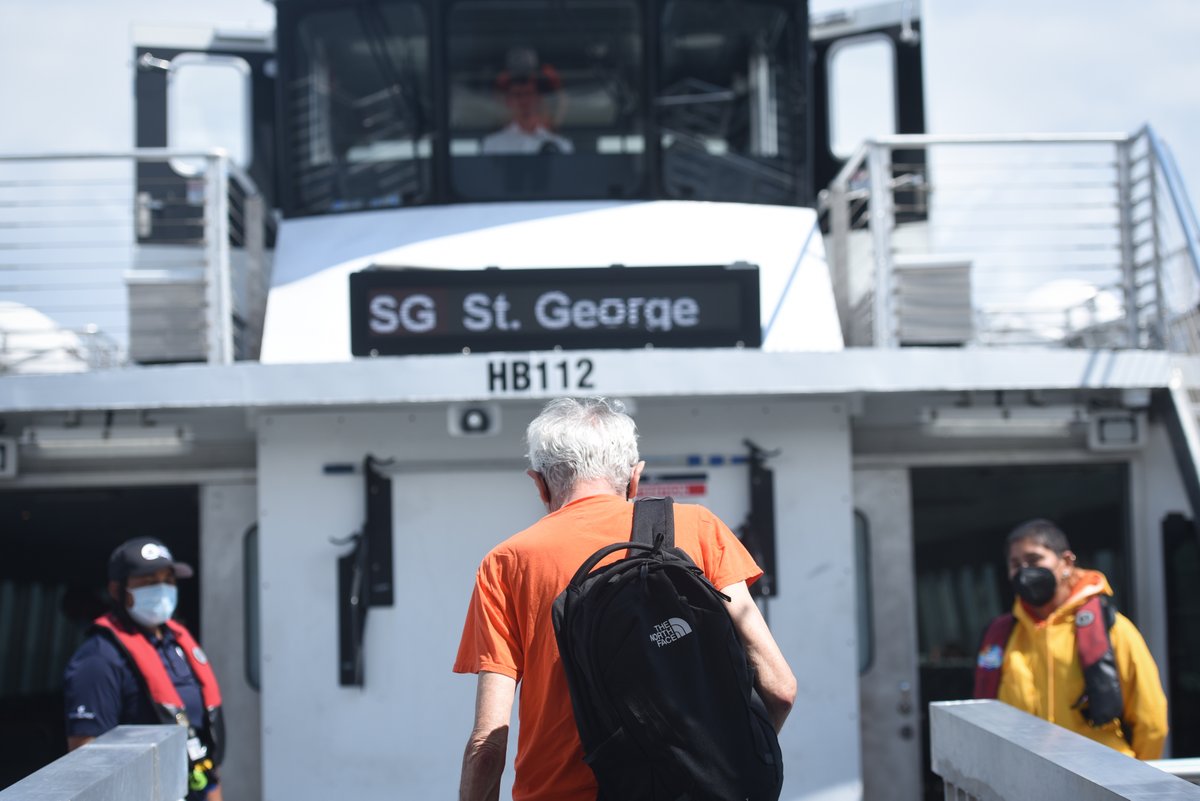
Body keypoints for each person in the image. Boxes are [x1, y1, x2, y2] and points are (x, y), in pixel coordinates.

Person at [454, 397, 796, 801]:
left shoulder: (507, 562)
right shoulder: (700, 528)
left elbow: (487, 746)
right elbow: (780, 688)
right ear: (635, 477)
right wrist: (717, 768)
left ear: (539, 483)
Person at [974, 518, 1168, 759]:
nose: (1024, 571)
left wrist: (1135, 778)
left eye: (1034, 560)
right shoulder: (1002, 635)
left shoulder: (1112, 629)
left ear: (1066, 562)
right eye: (1015, 564)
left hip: (1100, 778)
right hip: (1024, 778)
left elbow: (1151, 721)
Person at [63, 537, 224, 800]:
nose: (162, 588)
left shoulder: (177, 645)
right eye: (148, 582)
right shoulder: (99, 658)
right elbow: (86, 760)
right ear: (117, 590)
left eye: (168, 580)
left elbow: (202, 735)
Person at [481, 47, 574, 155]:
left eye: (529, 94)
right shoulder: (492, 145)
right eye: (517, 95)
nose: (524, 100)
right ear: (508, 101)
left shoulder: (561, 146)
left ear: (539, 98)